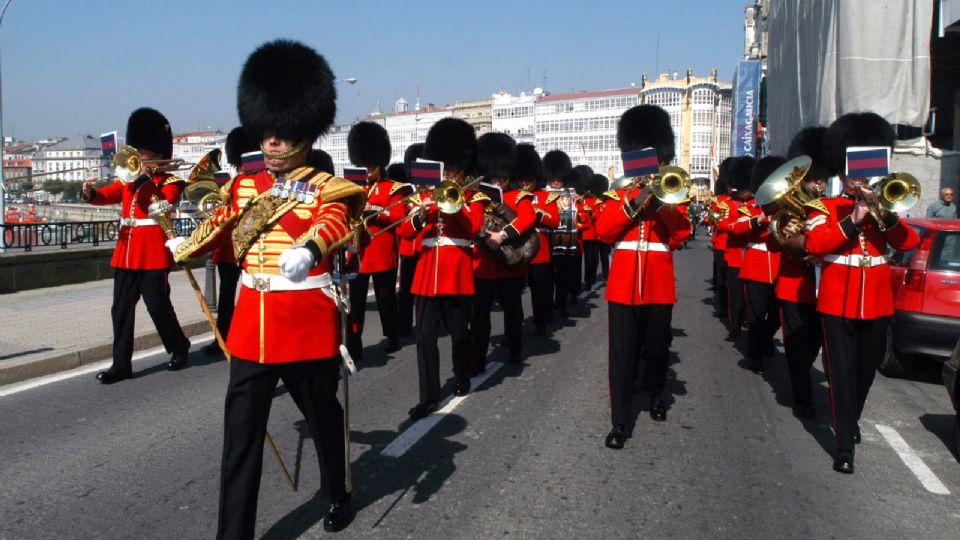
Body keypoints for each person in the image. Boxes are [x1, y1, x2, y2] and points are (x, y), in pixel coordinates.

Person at [167, 39, 364, 535]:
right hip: (251, 327)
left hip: (302, 323)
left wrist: (311, 249)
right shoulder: (243, 186)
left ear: (304, 130)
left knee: (322, 415)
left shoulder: (324, 186)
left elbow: (337, 221)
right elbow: (219, 227)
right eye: (267, 132)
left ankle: (338, 490)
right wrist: (182, 238)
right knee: (240, 441)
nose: (272, 142)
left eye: (283, 132)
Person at [805, 112, 920, 474]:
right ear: (843, 173)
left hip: (876, 300)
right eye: (852, 174)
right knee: (840, 370)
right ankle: (843, 446)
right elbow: (817, 243)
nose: (858, 180)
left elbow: (909, 241)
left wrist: (883, 214)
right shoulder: (827, 207)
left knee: (865, 369)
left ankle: (850, 418)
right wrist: (853, 219)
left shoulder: (883, 206)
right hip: (837, 297)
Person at [595, 105, 691, 449]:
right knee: (620, 355)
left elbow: (681, 236)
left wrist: (663, 203)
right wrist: (636, 200)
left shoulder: (672, 194)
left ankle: (656, 395)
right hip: (622, 286)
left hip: (658, 284)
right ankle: (620, 422)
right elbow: (604, 232)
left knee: (657, 349)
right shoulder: (617, 194)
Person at [81, 107, 191, 384]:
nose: (140, 154)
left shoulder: (170, 180)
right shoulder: (126, 179)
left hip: (153, 253)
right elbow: (107, 195)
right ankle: (121, 365)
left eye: (145, 149)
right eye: (138, 148)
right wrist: (90, 193)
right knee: (120, 309)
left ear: (157, 150)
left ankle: (178, 345)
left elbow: (162, 205)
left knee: (158, 307)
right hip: (126, 252)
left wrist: (143, 178)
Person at [397, 118, 485, 419]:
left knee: (460, 336)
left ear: (462, 171)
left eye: (452, 169)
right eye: (444, 168)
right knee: (424, 339)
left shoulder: (473, 197)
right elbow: (405, 232)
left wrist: (454, 204)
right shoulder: (423, 196)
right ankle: (429, 397)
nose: (447, 174)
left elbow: (474, 226)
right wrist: (420, 216)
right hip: (426, 276)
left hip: (457, 274)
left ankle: (461, 376)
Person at [471, 132, 537, 371]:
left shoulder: (518, 196)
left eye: (503, 176)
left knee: (513, 311)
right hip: (484, 265)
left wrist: (503, 234)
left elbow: (527, 218)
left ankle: (515, 350)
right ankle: (477, 359)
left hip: (509, 263)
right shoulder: (478, 196)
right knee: (479, 317)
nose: (499, 180)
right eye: (495, 175)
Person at [776, 126, 829, 419]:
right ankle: (802, 397)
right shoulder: (789, 205)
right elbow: (779, 237)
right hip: (795, 283)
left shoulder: (833, 207)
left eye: (819, 179)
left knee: (819, 344)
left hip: (827, 287)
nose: (816, 185)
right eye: (812, 180)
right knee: (797, 346)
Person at [345, 121, 408, 362]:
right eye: (363, 164)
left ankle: (392, 335)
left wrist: (376, 210)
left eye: (370, 164)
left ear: (379, 163)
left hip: (382, 254)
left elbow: (400, 217)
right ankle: (354, 344)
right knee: (356, 304)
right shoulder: (352, 188)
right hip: (358, 255)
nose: (366, 168)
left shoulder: (393, 188)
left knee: (385, 300)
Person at [203, 127, 255, 356]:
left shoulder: (256, 183)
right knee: (225, 299)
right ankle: (222, 338)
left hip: (250, 247)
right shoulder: (232, 184)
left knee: (251, 298)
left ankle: (248, 338)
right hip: (228, 249)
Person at [732, 155, 786, 373]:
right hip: (756, 266)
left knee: (777, 314)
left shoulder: (785, 206)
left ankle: (765, 339)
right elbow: (737, 227)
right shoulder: (752, 207)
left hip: (781, 265)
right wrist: (761, 219)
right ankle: (755, 356)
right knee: (756, 314)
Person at [517, 144, 560, 336]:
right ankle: (514, 328)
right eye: (522, 178)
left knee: (540, 289)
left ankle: (541, 320)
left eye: (529, 179)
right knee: (513, 293)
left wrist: (537, 213)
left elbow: (555, 221)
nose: (525, 182)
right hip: (516, 247)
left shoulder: (546, 197)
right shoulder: (512, 195)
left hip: (539, 249)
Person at [716, 156, 757, 338]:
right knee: (735, 294)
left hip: (752, 257)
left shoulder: (757, 205)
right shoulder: (726, 205)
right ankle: (735, 323)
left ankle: (749, 319)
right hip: (733, 255)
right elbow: (723, 225)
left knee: (751, 296)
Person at [542, 150, 577, 317]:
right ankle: (547, 306)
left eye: (559, 178)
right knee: (547, 278)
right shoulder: (542, 194)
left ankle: (561, 303)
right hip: (547, 241)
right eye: (553, 178)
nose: (556, 181)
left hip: (565, 241)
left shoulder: (571, 194)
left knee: (563, 276)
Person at [396, 143, 425, 337]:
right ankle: (405, 325)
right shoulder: (406, 195)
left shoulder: (435, 194)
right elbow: (402, 228)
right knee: (405, 291)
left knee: (424, 293)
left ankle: (426, 324)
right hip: (408, 250)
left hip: (425, 249)